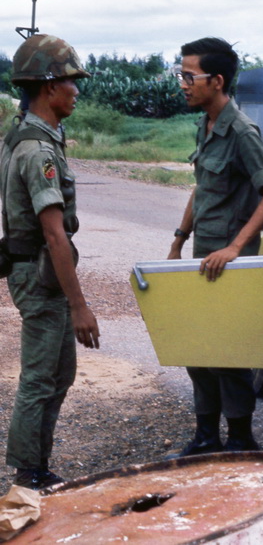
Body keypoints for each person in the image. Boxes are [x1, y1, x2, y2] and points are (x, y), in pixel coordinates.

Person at [167, 37, 263, 457]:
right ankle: (205, 438)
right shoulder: (206, 123)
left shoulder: (241, 131)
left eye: (189, 76)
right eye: (181, 74)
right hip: (201, 256)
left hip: (228, 263)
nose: (183, 83)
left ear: (216, 81)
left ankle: (239, 439)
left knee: (228, 355)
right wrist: (179, 240)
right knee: (197, 347)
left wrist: (236, 247)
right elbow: (202, 188)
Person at [1, 34, 101, 490]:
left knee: (59, 373)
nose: (76, 90)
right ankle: (27, 477)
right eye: (69, 82)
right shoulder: (38, 150)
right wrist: (80, 305)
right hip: (40, 276)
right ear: (47, 88)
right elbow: (53, 232)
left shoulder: (30, 136)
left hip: (40, 273)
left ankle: (37, 468)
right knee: (42, 378)